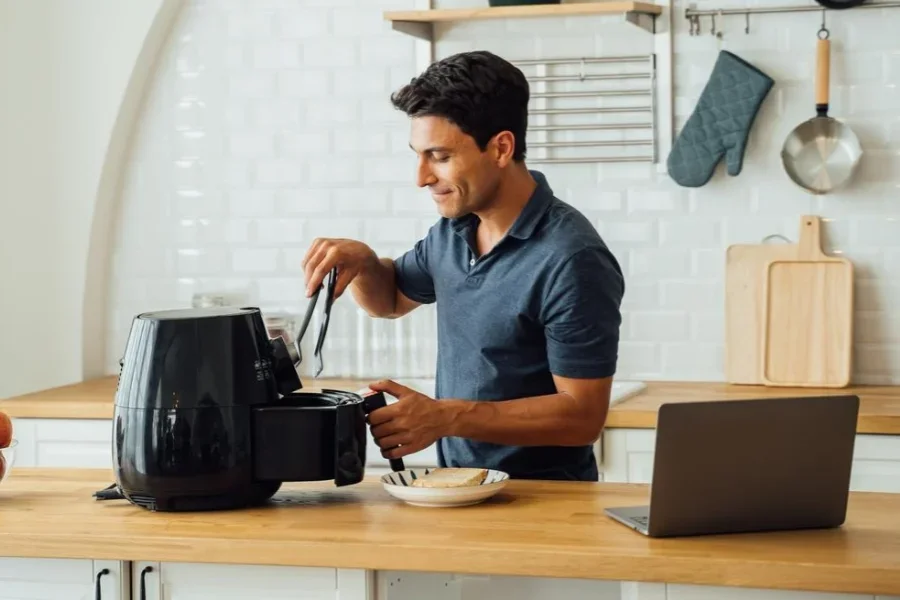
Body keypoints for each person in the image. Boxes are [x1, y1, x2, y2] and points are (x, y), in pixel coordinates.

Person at [301, 50, 625, 481]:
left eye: (439, 156)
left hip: (544, 502)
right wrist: (363, 263)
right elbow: (391, 300)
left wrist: (447, 417)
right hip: (461, 490)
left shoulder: (571, 258)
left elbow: (582, 417)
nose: (421, 177)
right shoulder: (452, 231)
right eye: (418, 155)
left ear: (501, 148)